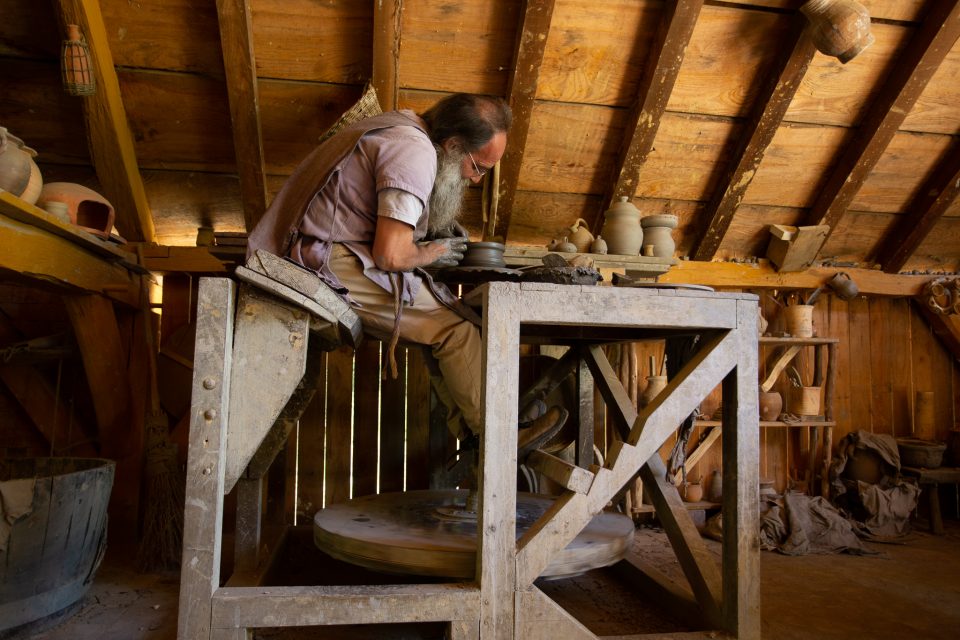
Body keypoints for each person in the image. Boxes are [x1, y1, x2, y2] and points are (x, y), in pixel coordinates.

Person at [247, 92, 566, 458]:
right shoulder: (414, 152)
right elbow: (391, 253)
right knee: (456, 329)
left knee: (439, 328)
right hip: (319, 261)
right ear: (453, 145)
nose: (475, 180)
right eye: (477, 167)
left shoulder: (403, 126)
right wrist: (429, 253)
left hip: (317, 249)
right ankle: (499, 441)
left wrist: (431, 232)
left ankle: (477, 434)